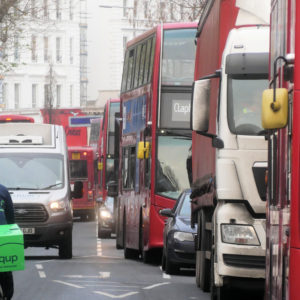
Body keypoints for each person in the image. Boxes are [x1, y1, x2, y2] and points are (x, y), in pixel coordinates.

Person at [0, 184, 15, 300]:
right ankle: (7, 294)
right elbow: (10, 215)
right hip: (3, 234)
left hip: (2, 233)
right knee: (4, 266)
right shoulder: (3, 190)